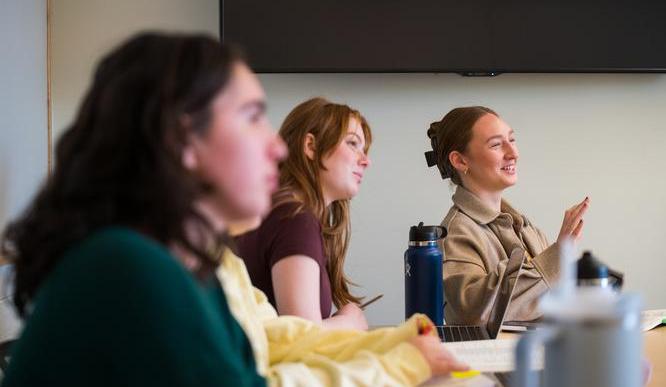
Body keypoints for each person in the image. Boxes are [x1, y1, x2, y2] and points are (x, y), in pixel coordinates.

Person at [1, 32, 467, 386]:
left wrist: (397, 341)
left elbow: (271, 339)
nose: (276, 148)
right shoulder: (128, 265)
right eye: (251, 117)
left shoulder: (208, 263)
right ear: (184, 139)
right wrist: (402, 363)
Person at [425, 106, 589, 324]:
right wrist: (556, 256)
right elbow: (474, 313)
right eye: (496, 144)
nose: (513, 153)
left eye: (512, 140)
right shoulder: (456, 235)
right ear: (460, 161)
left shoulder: (525, 227)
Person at [234, 97, 371, 330]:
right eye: (352, 143)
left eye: (365, 149)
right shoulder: (294, 219)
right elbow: (302, 335)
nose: (365, 161)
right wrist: (350, 321)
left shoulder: (279, 211)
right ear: (311, 146)